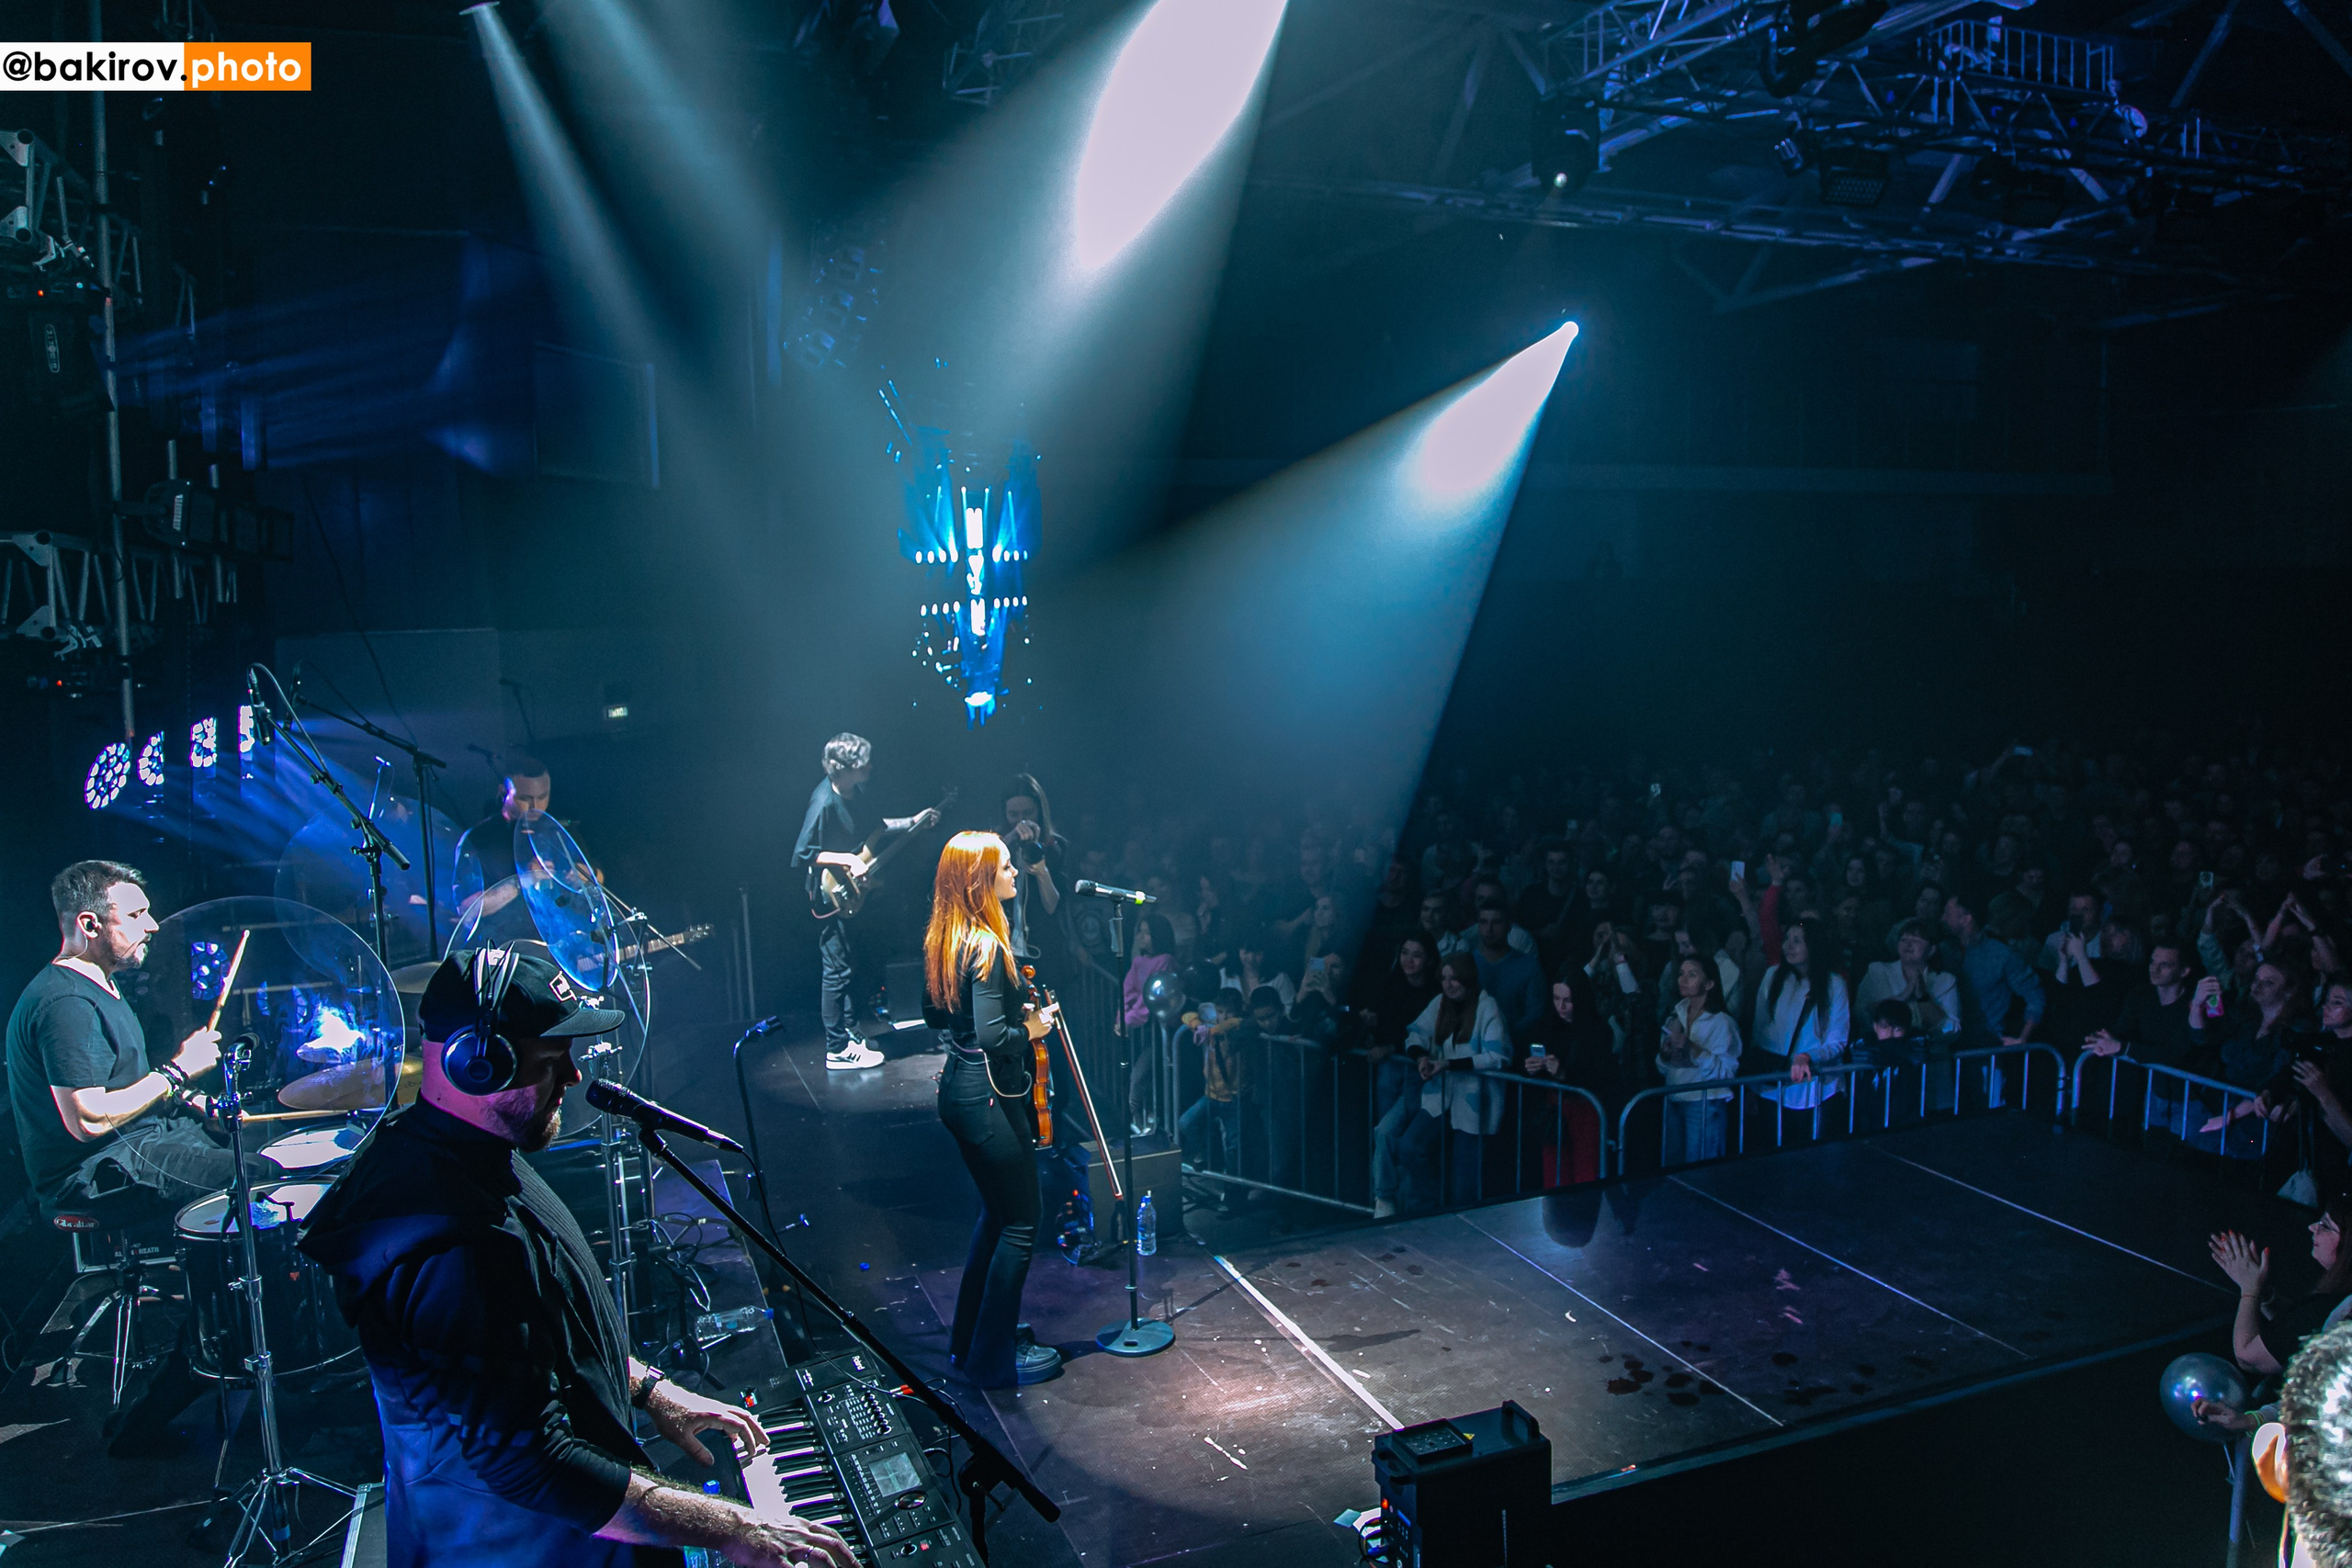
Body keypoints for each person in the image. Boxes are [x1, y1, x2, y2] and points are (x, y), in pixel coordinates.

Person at [299, 949, 854, 1568]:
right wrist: (734, 1527)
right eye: (550, 1058)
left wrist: (652, 1390)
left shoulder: (469, 1155)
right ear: (478, 1064)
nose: (572, 1074)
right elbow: (531, 1462)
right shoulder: (456, 1242)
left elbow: (543, 1337)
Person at [6, 860, 278, 1207]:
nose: (152, 925)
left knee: (258, 1143)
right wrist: (178, 1071)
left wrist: (194, 1101)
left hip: (137, 1141)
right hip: (94, 1171)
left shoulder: (100, 984)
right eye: (136, 915)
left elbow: (124, 1084)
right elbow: (88, 1120)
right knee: (263, 1173)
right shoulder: (67, 1003)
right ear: (89, 925)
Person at [920, 830, 1062, 1387]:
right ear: (980, 880)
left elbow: (935, 1015)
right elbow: (992, 1035)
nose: (1015, 872)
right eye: (1005, 866)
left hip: (958, 1090)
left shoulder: (946, 937)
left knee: (996, 1216)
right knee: (1022, 1224)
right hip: (988, 1098)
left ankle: (971, 1343)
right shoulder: (985, 945)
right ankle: (990, 1360)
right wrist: (1032, 1027)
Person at [793, 733, 941, 1071]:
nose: (871, 767)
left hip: (852, 891)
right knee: (835, 971)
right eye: (864, 764)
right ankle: (837, 1049)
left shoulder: (855, 793)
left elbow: (878, 828)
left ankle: (847, 1033)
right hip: (831, 894)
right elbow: (803, 854)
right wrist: (847, 860)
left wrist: (913, 822)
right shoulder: (823, 802)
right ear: (846, 768)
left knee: (851, 966)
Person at [1372, 953, 1508, 1217]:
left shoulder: (1487, 1007)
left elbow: (1498, 1056)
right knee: (1410, 1146)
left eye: (1454, 978)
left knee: (1464, 1182)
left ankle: (1460, 1226)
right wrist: (1421, 1056)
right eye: (1444, 978)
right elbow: (1415, 1033)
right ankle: (1428, 1211)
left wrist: (1449, 1064)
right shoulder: (1439, 1003)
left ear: (1467, 978)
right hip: (1440, 1096)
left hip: (1473, 1103)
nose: (1448, 984)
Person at [2209, 1201, 2352, 1381]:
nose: (2313, 1227)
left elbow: (2248, 1357)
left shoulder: (2332, 1306)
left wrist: (2249, 1289)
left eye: (2326, 1226)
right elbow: (2293, 1332)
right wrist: (2263, 1294)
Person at [1748, 913, 1851, 1129]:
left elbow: (1838, 1040)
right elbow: (1758, 1031)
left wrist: (1808, 1057)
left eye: (1797, 940)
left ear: (1814, 946)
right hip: (1773, 1084)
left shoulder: (1834, 984)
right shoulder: (1773, 976)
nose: (1788, 945)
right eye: (1787, 938)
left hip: (1818, 1087)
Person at [451, 755, 554, 945]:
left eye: (542, 797)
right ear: (503, 792)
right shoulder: (479, 838)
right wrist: (523, 881)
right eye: (524, 798)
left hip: (554, 942)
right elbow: (467, 909)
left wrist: (579, 875)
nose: (535, 806)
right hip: (504, 948)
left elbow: (593, 874)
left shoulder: (553, 832)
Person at [1657, 954, 1742, 1165]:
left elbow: (1727, 1073)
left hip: (1704, 1104)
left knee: (1700, 1169)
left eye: (1692, 974)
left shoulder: (1722, 1022)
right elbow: (1663, 1067)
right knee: (1672, 1167)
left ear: (1709, 983)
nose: (1683, 979)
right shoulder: (1676, 1015)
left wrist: (1693, 1048)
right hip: (1674, 1097)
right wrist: (1665, 1055)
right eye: (1681, 974)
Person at [1855, 919, 1962, 1046]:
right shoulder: (1878, 971)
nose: (1908, 944)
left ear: (1931, 950)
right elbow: (1860, 1015)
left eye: (1916, 940)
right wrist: (1901, 998)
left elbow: (1951, 1031)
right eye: (1903, 939)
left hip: (1929, 1054)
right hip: (1884, 1052)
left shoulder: (1945, 981)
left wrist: (1923, 997)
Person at [999, 773, 1067, 968]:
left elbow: (1053, 906)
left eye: (1028, 813)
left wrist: (1042, 869)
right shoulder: (995, 844)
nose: (1021, 821)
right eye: (1013, 815)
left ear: (1039, 811)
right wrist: (1010, 840)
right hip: (1003, 949)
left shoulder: (1056, 847)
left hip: (1042, 951)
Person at [1469, 901, 1547, 1047]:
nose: (1489, 929)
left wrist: (1502, 1034)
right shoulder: (1466, 964)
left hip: (1516, 1047)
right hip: (1471, 1047)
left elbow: (1535, 1015)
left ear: (1509, 926)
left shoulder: (1529, 966)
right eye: (1484, 922)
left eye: (1496, 922)